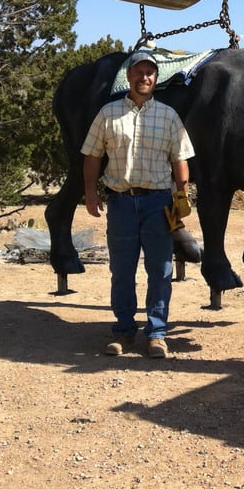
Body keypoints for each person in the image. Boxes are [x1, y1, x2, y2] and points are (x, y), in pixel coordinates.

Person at [80, 51, 195, 358]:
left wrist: (181, 199)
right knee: (121, 270)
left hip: (158, 203)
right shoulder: (108, 114)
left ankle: (156, 334)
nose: (144, 78)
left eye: (150, 73)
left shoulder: (169, 116)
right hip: (121, 203)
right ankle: (123, 332)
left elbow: (179, 160)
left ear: (156, 79)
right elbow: (92, 156)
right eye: (139, 72)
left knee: (160, 270)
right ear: (129, 76)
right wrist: (90, 192)